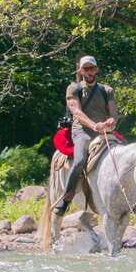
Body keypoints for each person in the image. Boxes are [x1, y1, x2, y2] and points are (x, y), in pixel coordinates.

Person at [52, 55, 119, 215]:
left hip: (103, 131)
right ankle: (66, 198)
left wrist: (111, 121)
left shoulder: (107, 90)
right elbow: (77, 112)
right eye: (86, 68)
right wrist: (95, 125)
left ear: (96, 69)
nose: (89, 71)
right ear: (80, 71)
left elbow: (114, 113)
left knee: (125, 156)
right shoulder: (74, 88)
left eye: (92, 68)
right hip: (81, 131)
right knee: (80, 160)